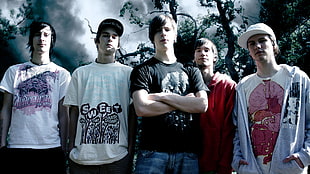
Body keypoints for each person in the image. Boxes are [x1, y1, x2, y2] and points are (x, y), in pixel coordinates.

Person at [130, 14, 209, 174]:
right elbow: (142, 108)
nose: (163, 33)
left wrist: (161, 96)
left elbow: (202, 105)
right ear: (152, 37)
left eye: (167, 29)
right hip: (152, 153)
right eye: (158, 31)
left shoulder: (191, 70)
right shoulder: (143, 70)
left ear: (175, 35)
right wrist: (184, 103)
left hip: (187, 154)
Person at [232, 23, 310, 174]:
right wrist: (238, 160)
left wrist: (305, 156)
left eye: (262, 40)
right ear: (248, 50)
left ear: (273, 44)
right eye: (252, 43)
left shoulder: (297, 79)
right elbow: (237, 129)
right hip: (252, 169)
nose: (257, 46)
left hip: (290, 169)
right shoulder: (243, 87)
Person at [63, 18, 134, 174]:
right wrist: (70, 149)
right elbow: (73, 112)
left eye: (115, 37)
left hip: (117, 157)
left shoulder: (128, 74)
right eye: (105, 35)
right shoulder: (80, 73)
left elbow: (132, 114)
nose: (110, 39)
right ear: (97, 41)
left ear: (119, 44)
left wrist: (129, 151)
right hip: (82, 158)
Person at [0, 21, 71, 174]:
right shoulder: (14, 71)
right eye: (37, 34)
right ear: (31, 39)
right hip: (17, 145)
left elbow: (64, 114)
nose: (42, 38)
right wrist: (2, 143)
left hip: (50, 147)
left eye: (46, 35)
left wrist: (64, 148)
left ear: (52, 40)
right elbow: (6, 109)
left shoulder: (62, 74)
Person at [194, 38, 236, 174]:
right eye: (198, 51)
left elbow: (231, 129)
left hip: (217, 164)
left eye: (207, 50)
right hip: (189, 163)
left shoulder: (227, 86)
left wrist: (225, 165)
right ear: (194, 57)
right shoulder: (187, 87)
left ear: (214, 57)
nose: (203, 54)